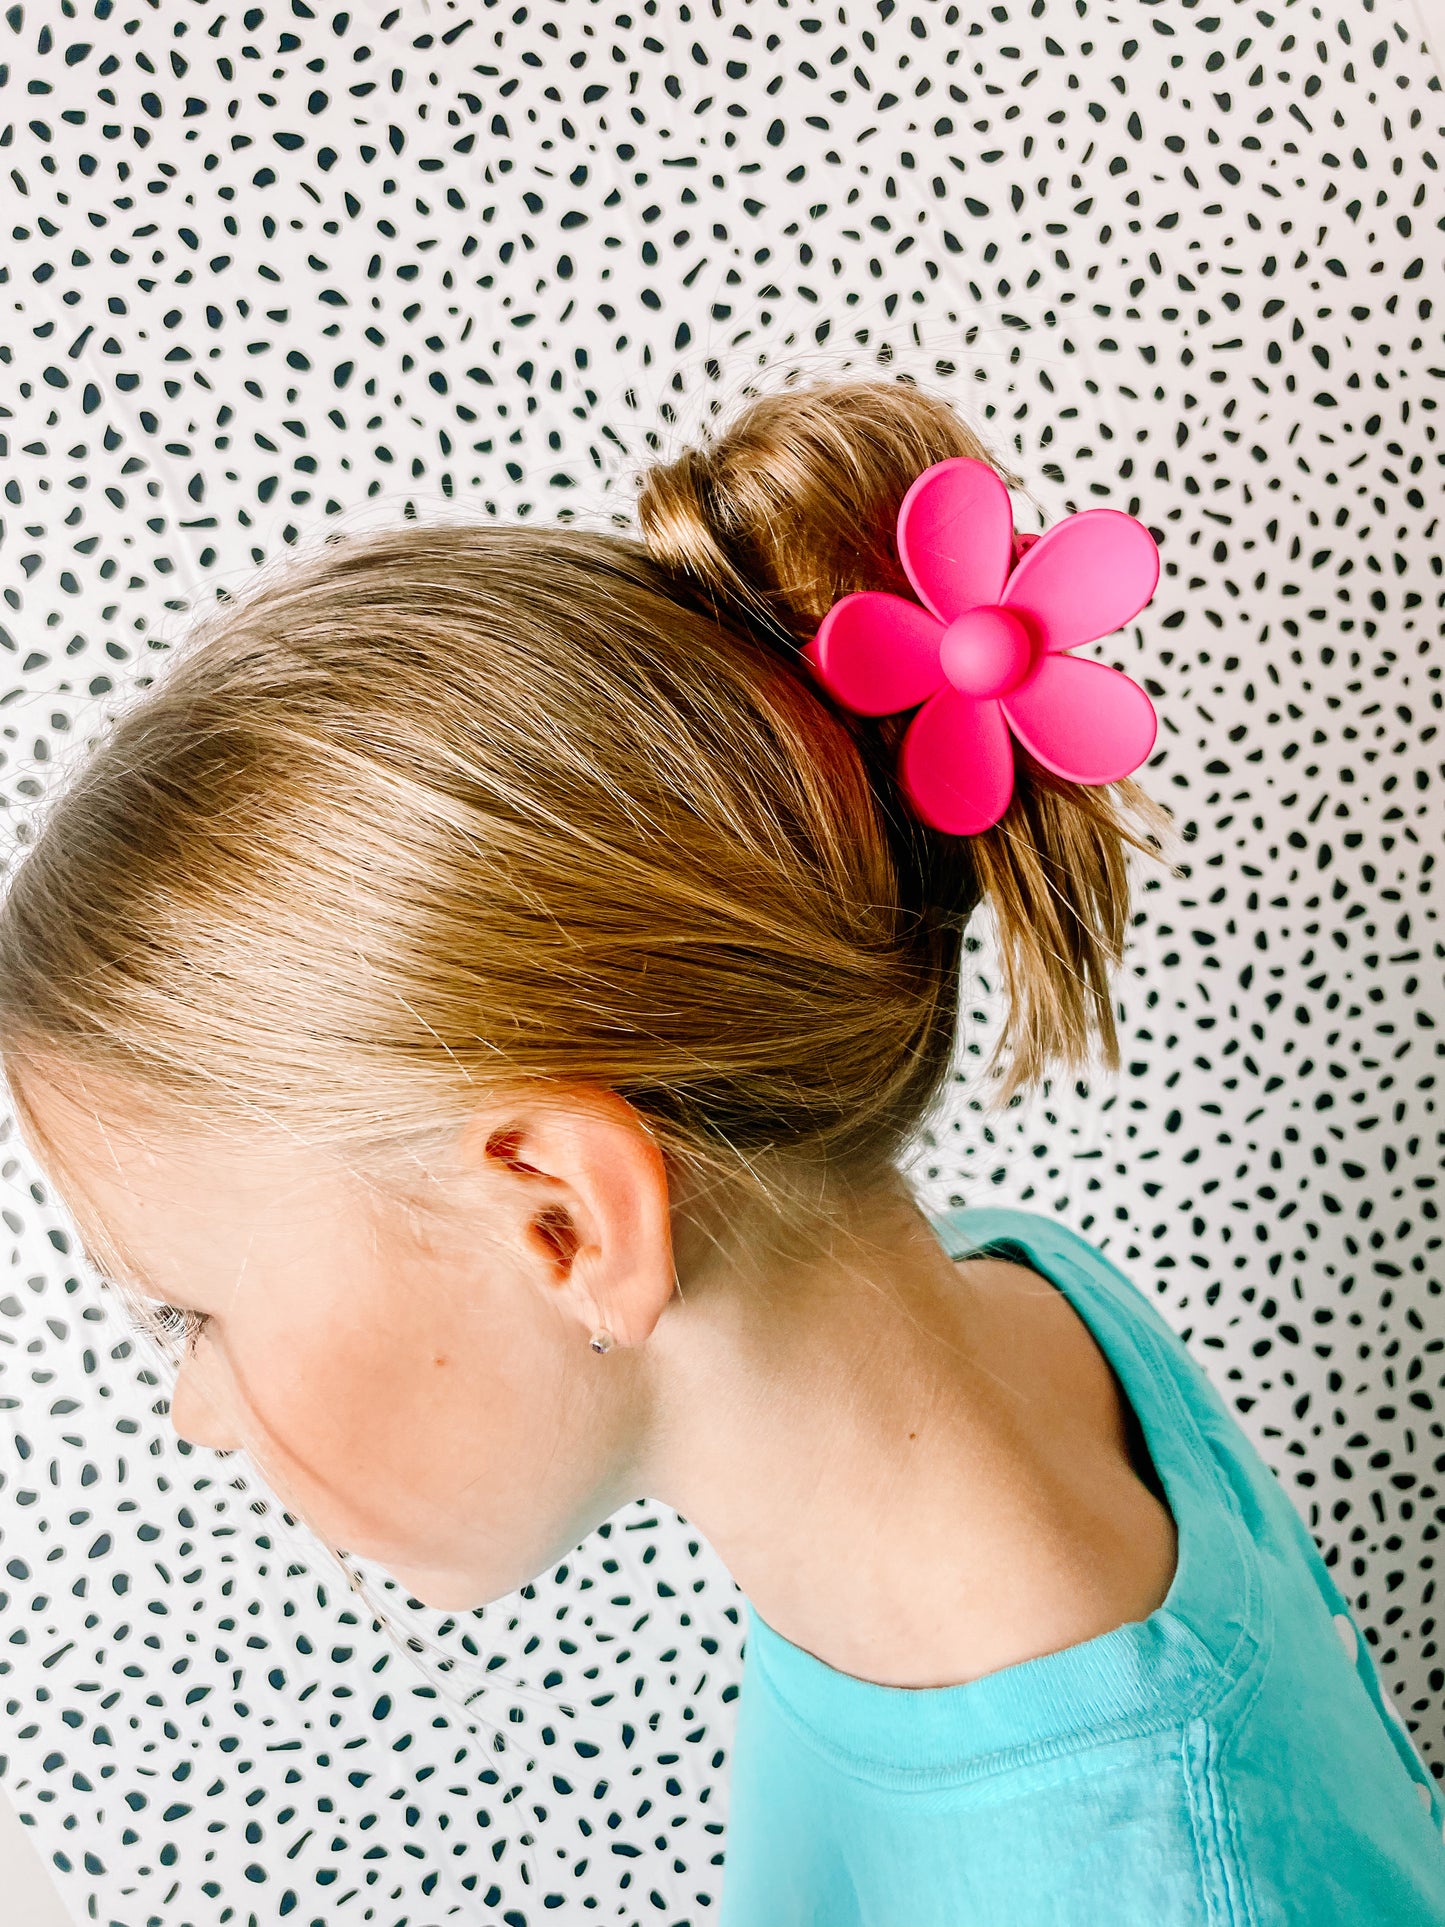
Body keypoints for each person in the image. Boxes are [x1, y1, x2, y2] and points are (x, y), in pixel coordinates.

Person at [0, 374, 1439, 1924]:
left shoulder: (1136, 1885)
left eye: (190, 1315)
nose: (196, 1414)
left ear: (563, 1222)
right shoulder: (1013, 1309)